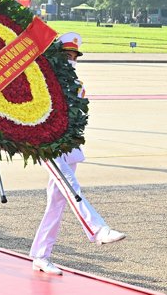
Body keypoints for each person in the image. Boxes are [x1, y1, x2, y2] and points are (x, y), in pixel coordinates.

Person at [30, 32, 126, 276]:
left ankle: (41, 254)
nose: (71, 60)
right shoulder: (43, 81)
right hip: (48, 146)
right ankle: (97, 230)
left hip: (69, 147)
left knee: (57, 202)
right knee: (71, 187)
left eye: (74, 56)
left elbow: (78, 117)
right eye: (66, 55)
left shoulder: (77, 86)